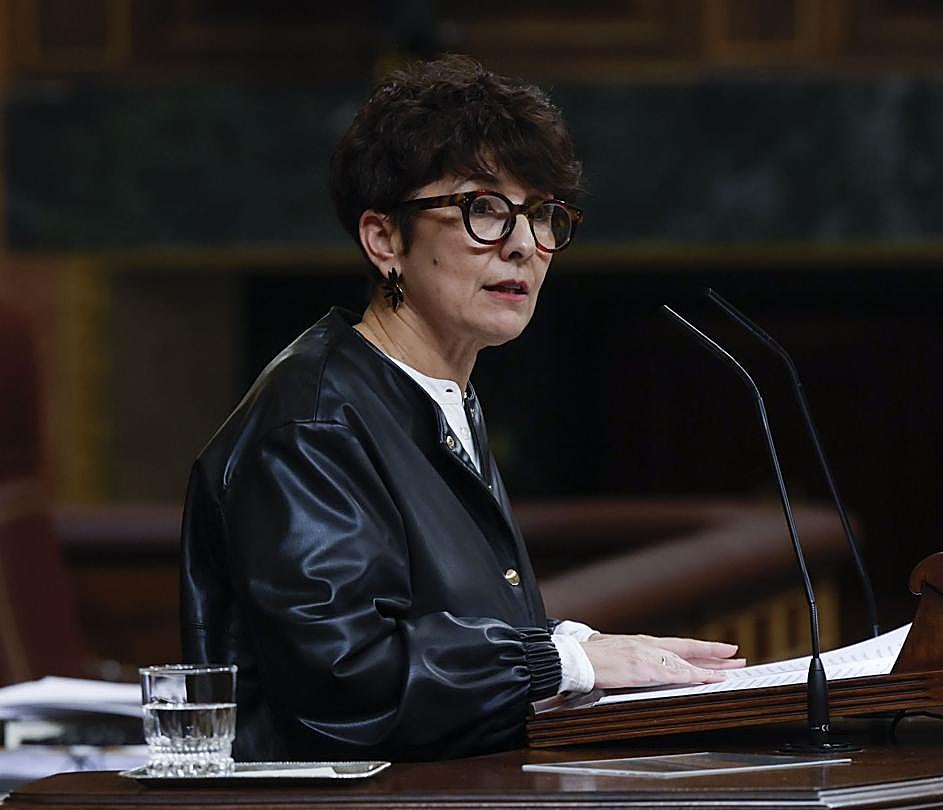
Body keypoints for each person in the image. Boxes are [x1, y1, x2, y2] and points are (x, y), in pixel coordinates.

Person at [180, 55, 743, 762]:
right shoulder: (316, 420)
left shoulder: (437, 392)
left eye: (543, 216)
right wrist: (567, 664)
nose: (522, 245)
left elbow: (446, 622)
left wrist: (576, 643)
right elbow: (343, 684)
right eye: (483, 209)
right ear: (384, 238)